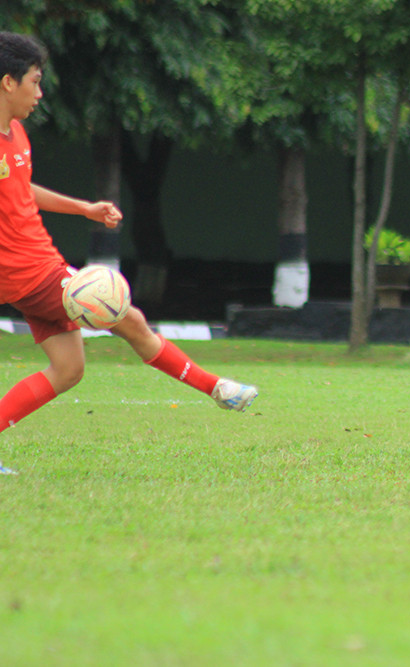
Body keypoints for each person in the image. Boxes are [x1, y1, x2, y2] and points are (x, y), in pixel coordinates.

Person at [0, 32, 258, 475]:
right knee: (128, 318)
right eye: (35, 82)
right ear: (8, 83)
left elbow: (21, 190)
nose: (40, 94)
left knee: (68, 369)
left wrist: (83, 207)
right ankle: (217, 388)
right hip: (29, 271)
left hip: (39, 261)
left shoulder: (17, 135)